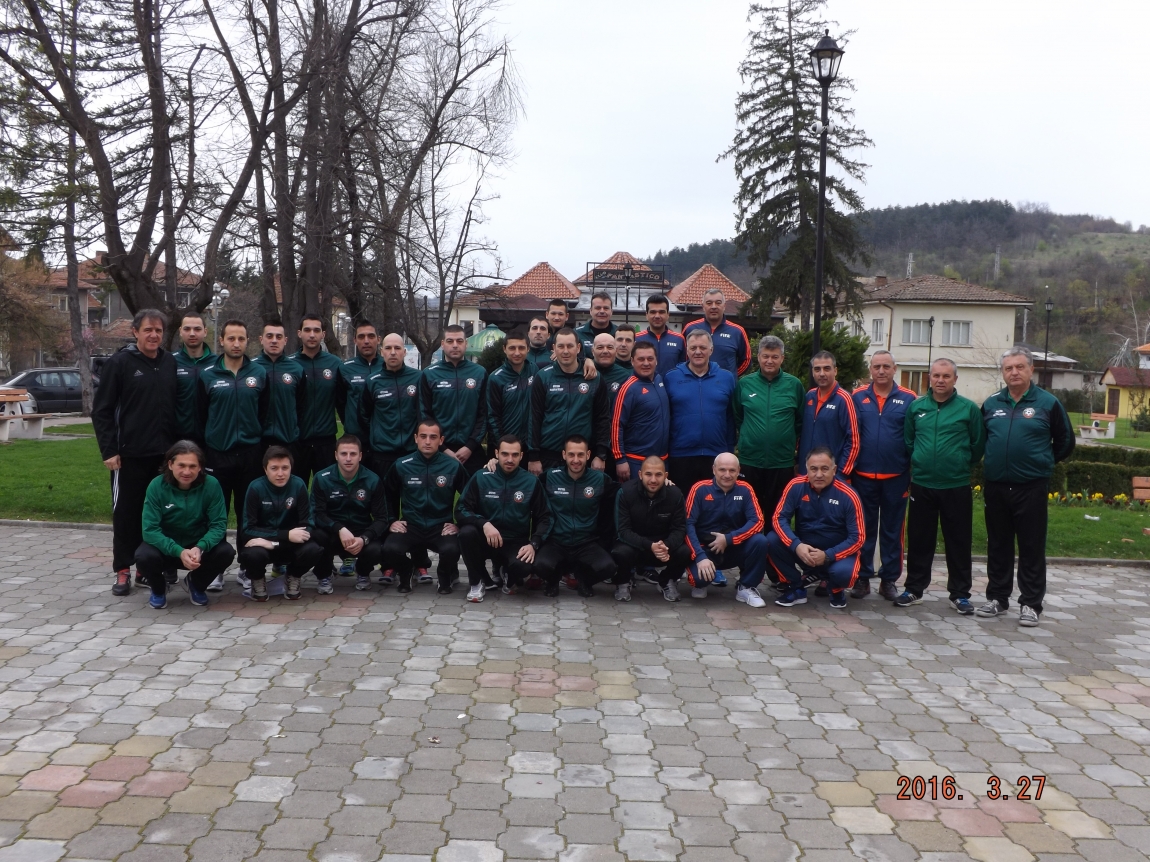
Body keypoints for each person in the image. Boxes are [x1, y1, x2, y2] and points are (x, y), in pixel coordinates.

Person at [977, 347, 1075, 626]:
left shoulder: (1048, 403)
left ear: (1031, 369)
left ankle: (1031, 603)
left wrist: (1042, 461)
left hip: (1031, 487)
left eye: (1020, 367)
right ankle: (997, 598)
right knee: (998, 545)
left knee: (1031, 546)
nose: (1014, 373)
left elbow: (1065, 441)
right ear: (1003, 372)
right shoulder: (992, 403)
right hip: (996, 486)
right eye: (1008, 368)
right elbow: (982, 439)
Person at [92, 309, 177, 596]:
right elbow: (102, 410)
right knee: (126, 514)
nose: (153, 335)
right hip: (128, 456)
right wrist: (109, 450)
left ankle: (146, 568)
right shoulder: (120, 363)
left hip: (163, 457)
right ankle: (123, 569)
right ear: (135, 332)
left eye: (158, 330)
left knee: (157, 515)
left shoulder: (169, 362)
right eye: (148, 330)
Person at [897, 359, 986, 614]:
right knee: (919, 540)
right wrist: (920, 460)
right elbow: (909, 441)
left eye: (946, 376)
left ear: (955, 379)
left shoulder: (968, 409)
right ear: (930, 377)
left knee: (958, 541)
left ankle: (960, 594)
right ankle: (914, 589)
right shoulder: (917, 408)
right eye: (936, 375)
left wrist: (959, 463)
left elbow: (977, 445)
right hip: (922, 484)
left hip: (955, 485)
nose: (940, 380)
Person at [197, 319, 269, 591]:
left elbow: (264, 413)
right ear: (222, 341)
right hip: (218, 455)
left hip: (250, 455)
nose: (236, 344)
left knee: (247, 514)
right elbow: (200, 416)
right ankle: (215, 568)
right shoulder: (208, 375)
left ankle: (247, 568)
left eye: (241, 339)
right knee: (216, 513)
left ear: (247, 341)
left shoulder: (259, 373)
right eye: (231, 338)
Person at [850, 351, 917, 600]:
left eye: (886, 366)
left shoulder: (909, 398)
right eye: (876, 366)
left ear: (894, 369)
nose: (881, 371)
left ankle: (889, 580)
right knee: (863, 529)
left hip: (896, 476)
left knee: (892, 530)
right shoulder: (857, 397)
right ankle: (862, 577)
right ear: (870, 369)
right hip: (862, 475)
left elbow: (914, 435)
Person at [136, 440, 235, 609]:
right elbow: (150, 530)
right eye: (181, 465)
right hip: (167, 547)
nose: (187, 472)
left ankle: (196, 584)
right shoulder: (156, 486)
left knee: (226, 552)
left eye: (192, 466)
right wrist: (178, 551)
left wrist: (200, 547)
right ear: (170, 464)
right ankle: (159, 590)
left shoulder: (212, 485)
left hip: (196, 547)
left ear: (200, 467)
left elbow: (218, 525)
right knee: (143, 556)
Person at [456, 434, 552, 601]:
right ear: (496, 454)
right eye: (505, 454)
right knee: (466, 533)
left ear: (521, 456)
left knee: (524, 567)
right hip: (486, 538)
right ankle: (477, 582)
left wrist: (533, 544)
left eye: (515, 455)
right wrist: (484, 524)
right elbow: (461, 509)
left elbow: (545, 517)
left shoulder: (531, 482)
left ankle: (508, 573)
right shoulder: (481, 476)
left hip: (515, 541)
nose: (509, 459)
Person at [767, 447, 865, 610]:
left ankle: (836, 589)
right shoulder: (795, 486)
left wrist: (827, 555)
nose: (819, 474)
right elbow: (779, 518)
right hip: (805, 548)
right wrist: (796, 545)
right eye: (813, 469)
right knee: (770, 540)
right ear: (806, 469)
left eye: (824, 468)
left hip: (836, 553)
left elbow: (858, 538)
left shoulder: (849, 495)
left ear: (834, 470)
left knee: (844, 573)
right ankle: (796, 587)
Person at [383, 420, 468, 594]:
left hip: (440, 526)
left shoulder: (453, 466)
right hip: (411, 525)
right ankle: (406, 571)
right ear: (416, 438)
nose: (427, 441)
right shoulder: (401, 465)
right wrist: (392, 520)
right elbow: (386, 496)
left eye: (433, 437)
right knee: (389, 549)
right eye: (423, 436)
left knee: (452, 549)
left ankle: (444, 576)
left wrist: (459, 524)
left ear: (441, 440)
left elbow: (469, 498)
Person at [734, 335, 804, 530]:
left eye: (774, 357)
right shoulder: (745, 384)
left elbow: (800, 421)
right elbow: (738, 417)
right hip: (750, 461)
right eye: (765, 356)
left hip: (781, 462)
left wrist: (784, 440)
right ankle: (752, 548)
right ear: (758, 357)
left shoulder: (794, 385)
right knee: (750, 513)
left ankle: (775, 548)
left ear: (782, 358)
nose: (769, 361)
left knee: (778, 515)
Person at [535, 435, 619, 598]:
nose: (576, 460)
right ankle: (553, 580)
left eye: (580, 455)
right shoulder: (550, 477)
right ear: (564, 455)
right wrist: (495, 465)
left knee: (609, 568)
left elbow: (626, 491)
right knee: (539, 565)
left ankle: (584, 581)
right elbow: (524, 483)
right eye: (571, 454)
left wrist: (662, 484)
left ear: (588, 455)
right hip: (556, 542)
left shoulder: (600, 479)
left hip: (586, 543)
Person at [238, 446, 323, 601]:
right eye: (274, 468)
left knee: (313, 549)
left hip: (289, 545)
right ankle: (257, 579)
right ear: (265, 469)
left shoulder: (298, 485)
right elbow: (247, 530)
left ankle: (293, 576)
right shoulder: (255, 487)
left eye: (285, 468)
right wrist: (284, 535)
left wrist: (277, 542)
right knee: (252, 554)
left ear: (291, 468)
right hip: (264, 546)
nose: (280, 473)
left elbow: (308, 525)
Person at [684, 453, 767, 605]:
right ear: (714, 469)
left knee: (760, 541)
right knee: (698, 581)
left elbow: (758, 521)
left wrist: (729, 539)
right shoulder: (699, 489)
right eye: (722, 469)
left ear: (738, 471)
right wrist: (700, 556)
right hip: (705, 549)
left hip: (734, 547)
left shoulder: (745, 489)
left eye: (732, 470)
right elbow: (687, 525)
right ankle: (701, 582)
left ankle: (746, 587)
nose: (727, 475)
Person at [310, 435, 388, 595]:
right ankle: (324, 575)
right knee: (316, 537)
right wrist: (339, 528)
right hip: (332, 532)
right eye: (343, 453)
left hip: (360, 533)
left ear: (360, 456)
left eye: (353, 454)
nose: (348, 458)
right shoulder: (322, 478)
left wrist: (364, 538)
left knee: (377, 550)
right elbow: (317, 514)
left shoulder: (373, 480)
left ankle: (363, 572)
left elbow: (382, 519)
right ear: (336, 455)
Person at [528, 328, 611, 474]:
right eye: (561, 346)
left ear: (578, 348)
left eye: (570, 346)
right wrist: (533, 456)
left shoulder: (594, 378)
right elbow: (534, 418)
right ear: (554, 348)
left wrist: (601, 455)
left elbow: (603, 418)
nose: (565, 351)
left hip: (581, 457)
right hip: (549, 455)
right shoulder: (543, 377)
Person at [665, 330, 737, 493]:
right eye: (693, 348)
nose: (698, 352)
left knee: (714, 503)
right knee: (683, 502)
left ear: (711, 350)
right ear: (687, 350)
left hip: (717, 454)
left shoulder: (726, 378)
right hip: (680, 454)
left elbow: (731, 416)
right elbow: (665, 416)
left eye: (703, 348)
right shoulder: (671, 378)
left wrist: (729, 450)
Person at [612, 455, 691, 603]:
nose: (653, 480)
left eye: (658, 475)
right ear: (640, 474)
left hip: (663, 549)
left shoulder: (675, 494)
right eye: (648, 474)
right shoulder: (625, 492)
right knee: (620, 552)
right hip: (635, 547)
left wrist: (666, 545)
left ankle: (667, 581)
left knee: (685, 552)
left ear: (665, 476)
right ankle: (623, 581)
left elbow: (680, 529)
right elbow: (622, 531)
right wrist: (649, 545)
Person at [420, 325, 488, 475]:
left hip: (471, 451)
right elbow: (424, 414)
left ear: (466, 343)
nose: (455, 345)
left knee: (474, 490)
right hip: (439, 450)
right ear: (442, 344)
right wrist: (442, 448)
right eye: (450, 341)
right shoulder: (429, 374)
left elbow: (484, 414)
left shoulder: (479, 373)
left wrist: (470, 446)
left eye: (459, 341)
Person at [359, 332, 423, 480]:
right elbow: (363, 415)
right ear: (382, 352)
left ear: (404, 352)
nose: (393, 352)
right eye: (388, 348)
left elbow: (424, 412)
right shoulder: (372, 381)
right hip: (382, 454)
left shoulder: (418, 378)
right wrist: (379, 435)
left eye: (397, 348)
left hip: (411, 452)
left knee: (410, 495)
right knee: (384, 495)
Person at [292, 314, 343, 485]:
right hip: (298, 441)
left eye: (316, 330)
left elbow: (342, 402)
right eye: (307, 330)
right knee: (296, 490)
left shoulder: (335, 364)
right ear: (299, 333)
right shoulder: (290, 364)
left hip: (326, 442)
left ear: (323, 334)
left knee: (329, 491)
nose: (312, 335)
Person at [611, 341, 669, 482]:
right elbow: (616, 425)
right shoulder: (628, 388)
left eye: (650, 359)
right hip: (636, 460)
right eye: (641, 359)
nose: (646, 363)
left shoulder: (660, 380)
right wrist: (620, 459)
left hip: (661, 460)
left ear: (656, 360)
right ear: (632, 361)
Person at [253, 317, 307, 468]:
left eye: (278, 337)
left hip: (288, 441)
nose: (274, 341)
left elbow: (301, 406)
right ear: (261, 339)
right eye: (269, 336)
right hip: (259, 443)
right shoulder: (251, 368)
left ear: (285, 340)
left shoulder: (296, 370)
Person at [798, 351, 859, 478]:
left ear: (835, 371)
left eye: (826, 369)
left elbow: (854, 441)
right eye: (817, 369)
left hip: (831, 476)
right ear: (813, 372)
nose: (822, 374)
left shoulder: (844, 399)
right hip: (806, 473)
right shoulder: (809, 396)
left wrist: (841, 473)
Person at [682, 288, 750, 377]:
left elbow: (746, 360)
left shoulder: (737, 331)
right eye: (709, 303)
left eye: (718, 303)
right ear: (703, 306)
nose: (713, 307)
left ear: (724, 306)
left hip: (725, 384)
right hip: (695, 383)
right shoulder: (690, 328)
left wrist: (730, 376)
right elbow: (681, 357)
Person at [487, 329, 534, 448]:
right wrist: (502, 444)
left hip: (529, 445)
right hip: (506, 446)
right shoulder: (496, 378)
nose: (517, 353)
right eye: (512, 348)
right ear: (504, 349)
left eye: (521, 348)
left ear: (528, 348)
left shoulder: (534, 370)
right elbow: (493, 417)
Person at [336, 321, 382, 440]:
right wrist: (351, 425)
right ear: (355, 340)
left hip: (383, 438)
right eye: (361, 337)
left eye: (371, 336)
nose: (366, 341)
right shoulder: (345, 368)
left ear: (378, 339)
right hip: (355, 439)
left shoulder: (387, 366)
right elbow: (340, 403)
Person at [173, 312, 214, 443]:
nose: (192, 333)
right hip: (177, 438)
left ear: (205, 332)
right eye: (187, 329)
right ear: (180, 331)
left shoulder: (218, 363)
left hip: (210, 438)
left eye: (197, 329)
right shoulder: (170, 362)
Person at [636, 294, 685, 378]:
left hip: (671, 386)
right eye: (653, 312)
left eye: (661, 312)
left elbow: (684, 367)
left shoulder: (679, 339)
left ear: (668, 315)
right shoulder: (636, 339)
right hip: (644, 386)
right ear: (646, 315)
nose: (657, 316)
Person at [575, 292, 617, 356]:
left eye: (606, 308)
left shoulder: (618, 334)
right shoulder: (576, 334)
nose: (602, 311)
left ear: (611, 312)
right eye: (598, 308)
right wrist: (585, 360)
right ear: (590, 311)